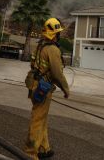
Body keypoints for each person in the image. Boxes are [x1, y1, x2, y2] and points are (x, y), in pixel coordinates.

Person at [24, 18, 70, 159]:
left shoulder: (40, 46)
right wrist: (66, 89)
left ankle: (44, 148)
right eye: (58, 33)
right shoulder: (53, 49)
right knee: (38, 119)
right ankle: (30, 153)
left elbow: (34, 64)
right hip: (43, 88)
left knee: (41, 117)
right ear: (54, 34)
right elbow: (57, 73)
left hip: (35, 85)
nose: (59, 36)